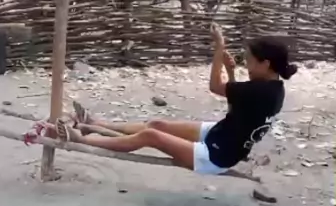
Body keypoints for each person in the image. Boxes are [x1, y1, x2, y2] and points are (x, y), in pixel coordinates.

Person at [51, 24, 297, 175]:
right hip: (222, 134)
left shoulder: (260, 91)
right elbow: (236, 108)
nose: (247, 66)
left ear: (266, 64)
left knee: (151, 136)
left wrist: (218, 49)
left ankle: (82, 138)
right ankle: (96, 124)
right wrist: (230, 71)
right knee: (158, 125)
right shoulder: (273, 88)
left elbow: (215, 87)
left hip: (216, 156)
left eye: (250, 61)